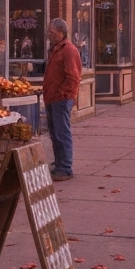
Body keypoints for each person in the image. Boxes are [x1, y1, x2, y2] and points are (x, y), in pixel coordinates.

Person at [44, 18, 81, 181]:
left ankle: (65, 167)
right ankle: (59, 163)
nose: (48, 35)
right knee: (55, 133)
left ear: (60, 33)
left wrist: (64, 94)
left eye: (51, 32)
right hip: (52, 97)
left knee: (61, 132)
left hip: (60, 98)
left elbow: (73, 77)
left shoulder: (68, 50)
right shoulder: (54, 49)